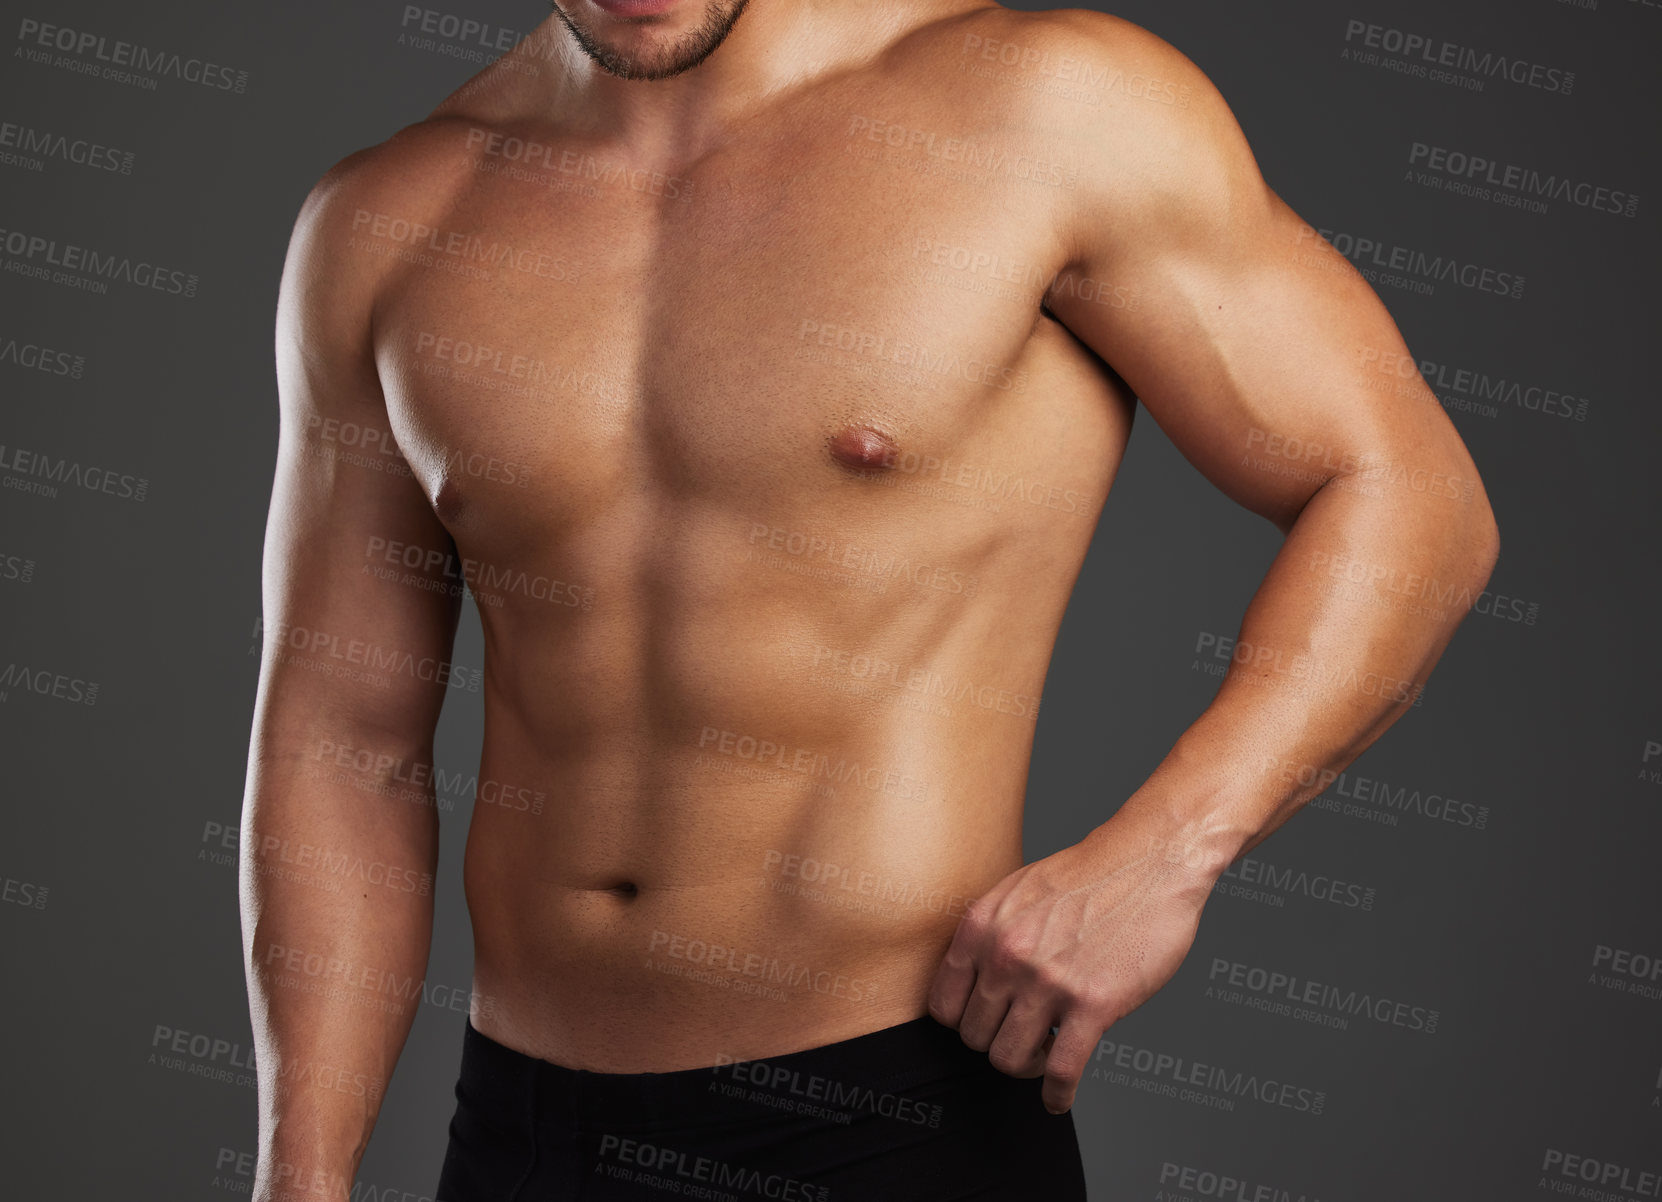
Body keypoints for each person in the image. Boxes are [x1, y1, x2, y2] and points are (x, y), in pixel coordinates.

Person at [238, 1, 1499, 1198]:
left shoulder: (1046, 109)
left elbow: (1412, 496)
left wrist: (1170, 849)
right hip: (523, 1133)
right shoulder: (390, 219)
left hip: (890, 1117)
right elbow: (344, 742)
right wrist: (300, 1178)